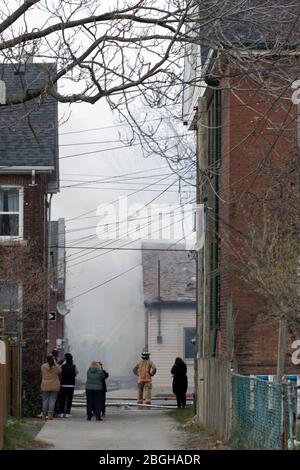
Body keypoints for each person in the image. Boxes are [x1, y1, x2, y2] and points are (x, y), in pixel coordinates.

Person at [40, 354, 61, 420]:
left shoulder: (43, 366)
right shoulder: (56, 366)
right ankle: (50, 416)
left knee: (45, 400)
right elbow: (60, 371)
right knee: (52, 400)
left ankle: (43, 415)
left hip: (45, 384)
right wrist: (55, 363)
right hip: (54, 385)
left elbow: (42, 372)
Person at [58, 353, 78, 418]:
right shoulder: (74, 366)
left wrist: (64, 363)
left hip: (63, 385)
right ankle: (68, 412)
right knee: (69, 399)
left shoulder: (63, 366)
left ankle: (61, 412)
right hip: (71, 385)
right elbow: (76, 372)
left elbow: (59, 369)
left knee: (62, 399)